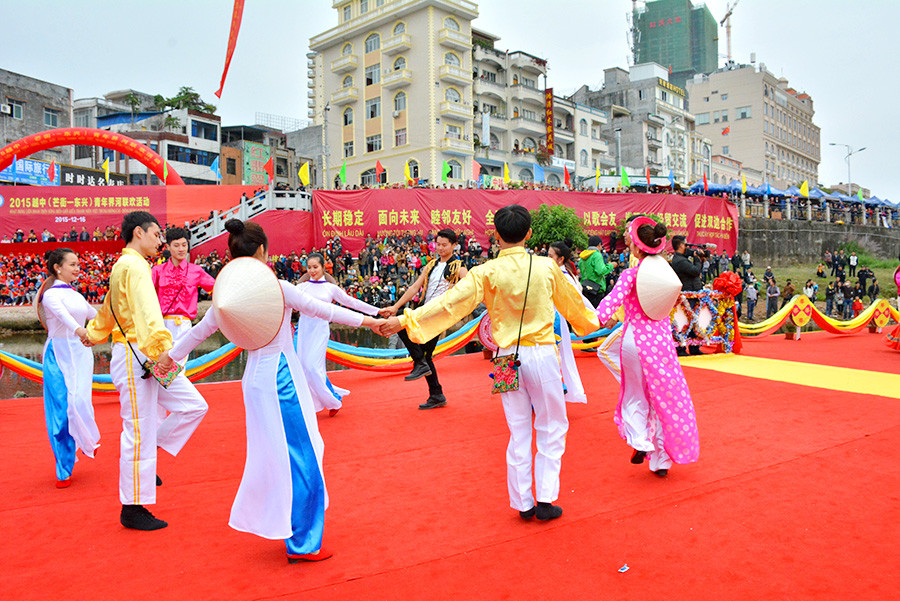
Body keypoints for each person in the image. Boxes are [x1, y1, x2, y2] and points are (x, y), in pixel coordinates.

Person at [168, 219, 384, 563]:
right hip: (283, 379)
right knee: (303, 455)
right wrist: (372, 321)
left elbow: (197, 333)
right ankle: (303, 541)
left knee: (274, 456)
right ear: (262, 251)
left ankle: (287, 526)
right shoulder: (277, 287)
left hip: (254, 381)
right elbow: (323, 310)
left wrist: (166, 361)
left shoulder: (228, 295)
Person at [381, 205, 599, 521]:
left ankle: (523, 503)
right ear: (529, 234)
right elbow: (577, 309)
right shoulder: (546, 267)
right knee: (552, 426)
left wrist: (405, 320)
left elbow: (449, 303)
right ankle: (545, 498)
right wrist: (601, 320)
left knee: (518, 429)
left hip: (504, 357)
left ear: (496, 235)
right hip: (541, 353)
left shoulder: (486, 271)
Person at [84, 211, 209, 531]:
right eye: (156, 235)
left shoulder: (125, 266)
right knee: (137, 430)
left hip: (143, 354)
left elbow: (109, 309)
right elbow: (148, 312)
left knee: (193, 405)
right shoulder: (136, 266)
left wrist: (94, 333)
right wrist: (163, 349)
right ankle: (132, 506)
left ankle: (148, 460)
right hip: (139, 353)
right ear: (139, 232)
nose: (160, 241)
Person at [595, 217, 699, 477]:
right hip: (661, 344)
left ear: (635, 246)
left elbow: (609, 304)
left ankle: (640, 439)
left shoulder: (631, 274)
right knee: (664, 399)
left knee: (635, 393)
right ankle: (661, 461)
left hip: (635, 341)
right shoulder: (666, 273)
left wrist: (589, 321)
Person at [380, 229, 467, 410]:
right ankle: (435, 392)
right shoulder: (431, 265)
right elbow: (414, 288)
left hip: (439, 315)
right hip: (425, 311)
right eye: (438, 244)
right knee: (424, 353)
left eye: (444, 245)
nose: (440, 248)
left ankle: (422, 367)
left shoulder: (459, 266)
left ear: (454, 245)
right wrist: (395, 306)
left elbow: (468, 287)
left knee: (403, 325)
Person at [38, 249, 101, 488]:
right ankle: (63, 468)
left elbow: (96, 317)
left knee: (81, 401)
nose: (77, 268)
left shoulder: (76, 295)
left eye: (78, 264)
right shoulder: (50, 295)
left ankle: (85, 439)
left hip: (81, 353)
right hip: (58, 354)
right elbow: (64, 317)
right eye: (72, 264)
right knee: (61, 410)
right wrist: (81, 331)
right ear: (58, 267)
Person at [294, 253, 380, 417]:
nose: (312, 270)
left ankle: (333, 400)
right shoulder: (301, 288)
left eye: (315, 267)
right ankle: (316, 402)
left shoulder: (330, 288)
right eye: (309, 267)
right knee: (304, 368)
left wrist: (376, 311)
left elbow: (351, 302)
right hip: (303, 331)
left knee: (312, 368)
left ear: (323, 267)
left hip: (320, 330)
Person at [151, 227, 215, 362]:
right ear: (168, 247)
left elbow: (216, 288)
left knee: (178, 367)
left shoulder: (196, 271)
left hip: (184, 326)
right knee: (160, 365)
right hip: (160, 325)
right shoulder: (157, 271)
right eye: (176, 245)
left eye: (184, 245)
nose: (181, 249)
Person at [547, 240, 591, 404]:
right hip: (551, 319)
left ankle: (558, 389)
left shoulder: (564, 277)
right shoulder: (560, 273)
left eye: (550, 256)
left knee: (556, 356)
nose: (547, 258)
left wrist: (596, 315)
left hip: (555, 321)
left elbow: (580, 299)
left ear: (560, 259)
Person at [669, 236, 702, 356]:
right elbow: (695, 271)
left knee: (694, 321)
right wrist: (697, 259)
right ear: (681, 245)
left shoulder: (682, 259)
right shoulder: (680, 261)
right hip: (687, 296)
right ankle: (681, 348)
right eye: (686, 244)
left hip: (691, 295)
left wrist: (697, 257)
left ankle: (694, 346)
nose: (687, 247)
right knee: (684, 322)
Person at [578, 235, 615, 307]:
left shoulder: (583, 256)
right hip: (596, 290)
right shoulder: (597, 255)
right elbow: (600, 271)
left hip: (585, 288)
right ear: (599, 245)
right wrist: (611, 265)